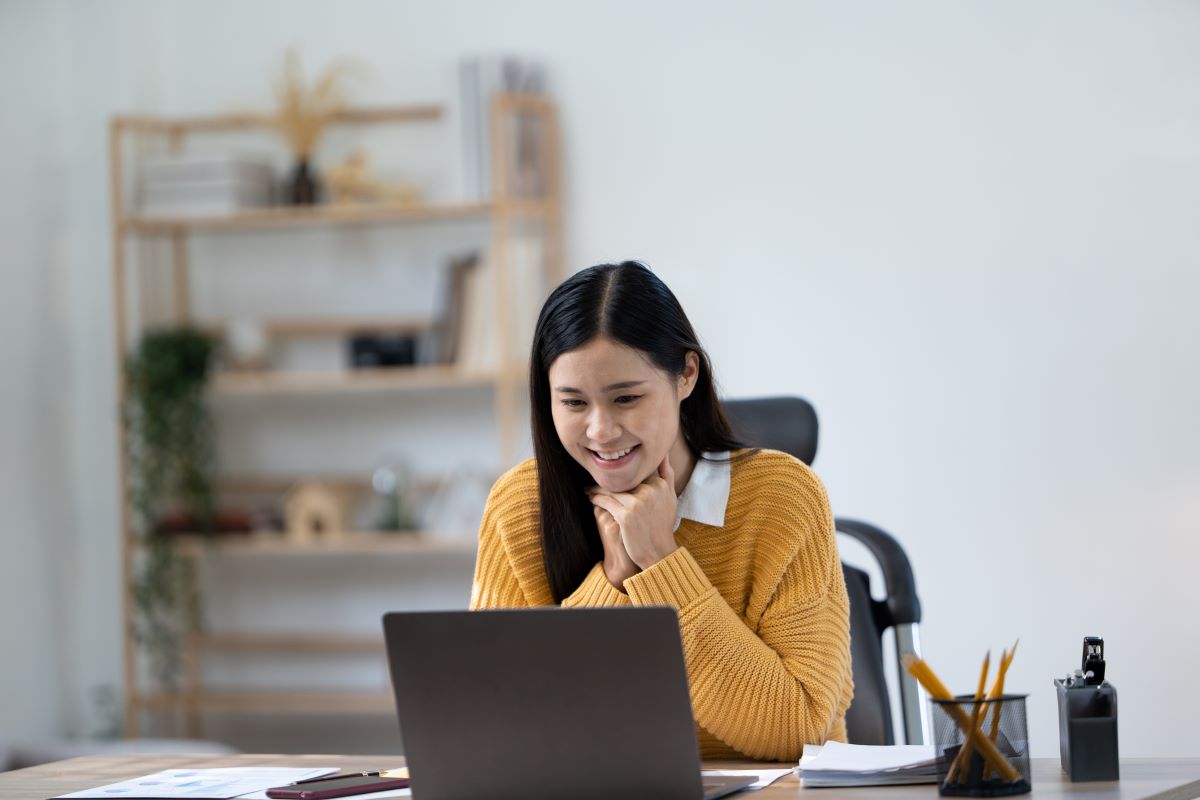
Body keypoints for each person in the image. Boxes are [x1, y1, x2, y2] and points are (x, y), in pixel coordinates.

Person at [469, 261, 853, 762]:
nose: (601, 430)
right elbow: (495, 727)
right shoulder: (519, 504)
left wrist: (662, 564)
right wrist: (612, 578)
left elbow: (800, 728)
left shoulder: (783, 499)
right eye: (573, 403)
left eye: (626, 397)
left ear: (686, 375)